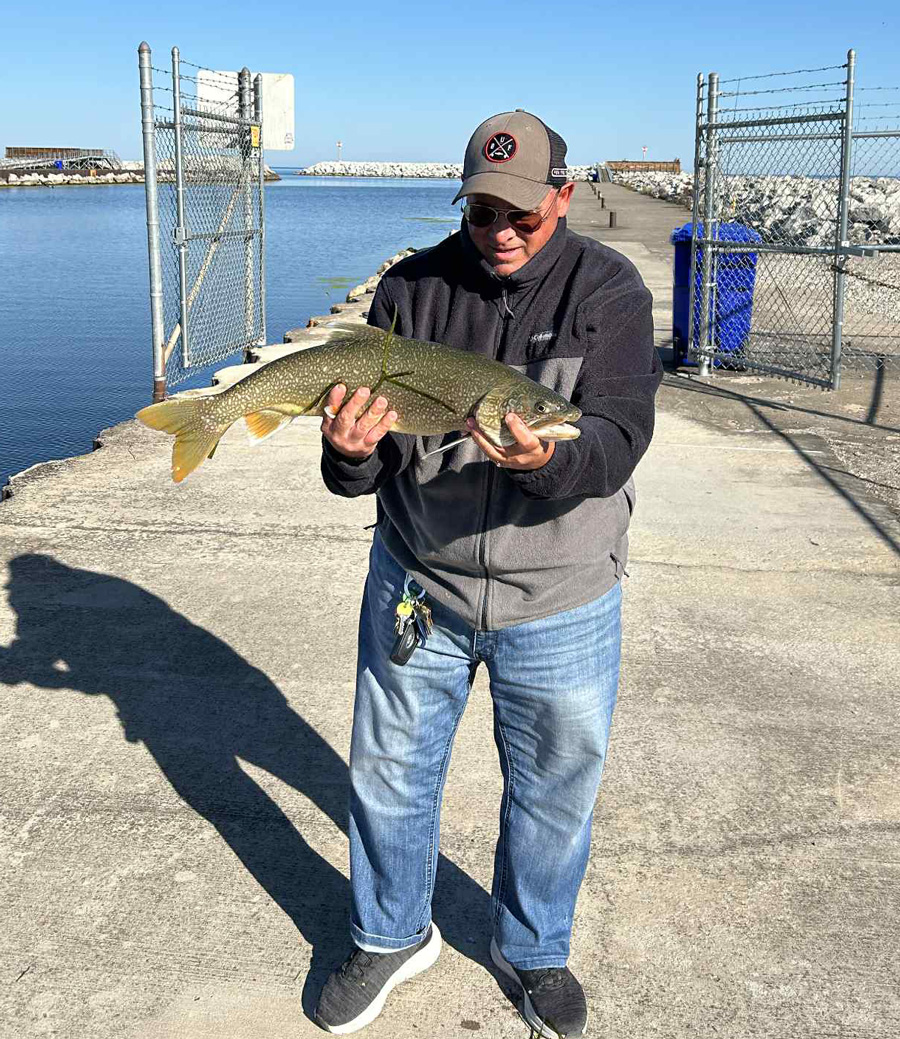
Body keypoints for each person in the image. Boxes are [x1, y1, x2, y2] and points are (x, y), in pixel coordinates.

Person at [314, 110, 661, 1037]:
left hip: (560, 594)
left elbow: (621, 435)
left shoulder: (611, 291)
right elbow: (368, 464)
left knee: (554, 786)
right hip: (418, 577)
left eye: (521, 215)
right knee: (388, 772)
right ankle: (391, 932)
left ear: (562, 194)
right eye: (479, 215)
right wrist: (348, 454)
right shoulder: (411, 290)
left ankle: (532, 946)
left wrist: (542, 463)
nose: (499, 233)